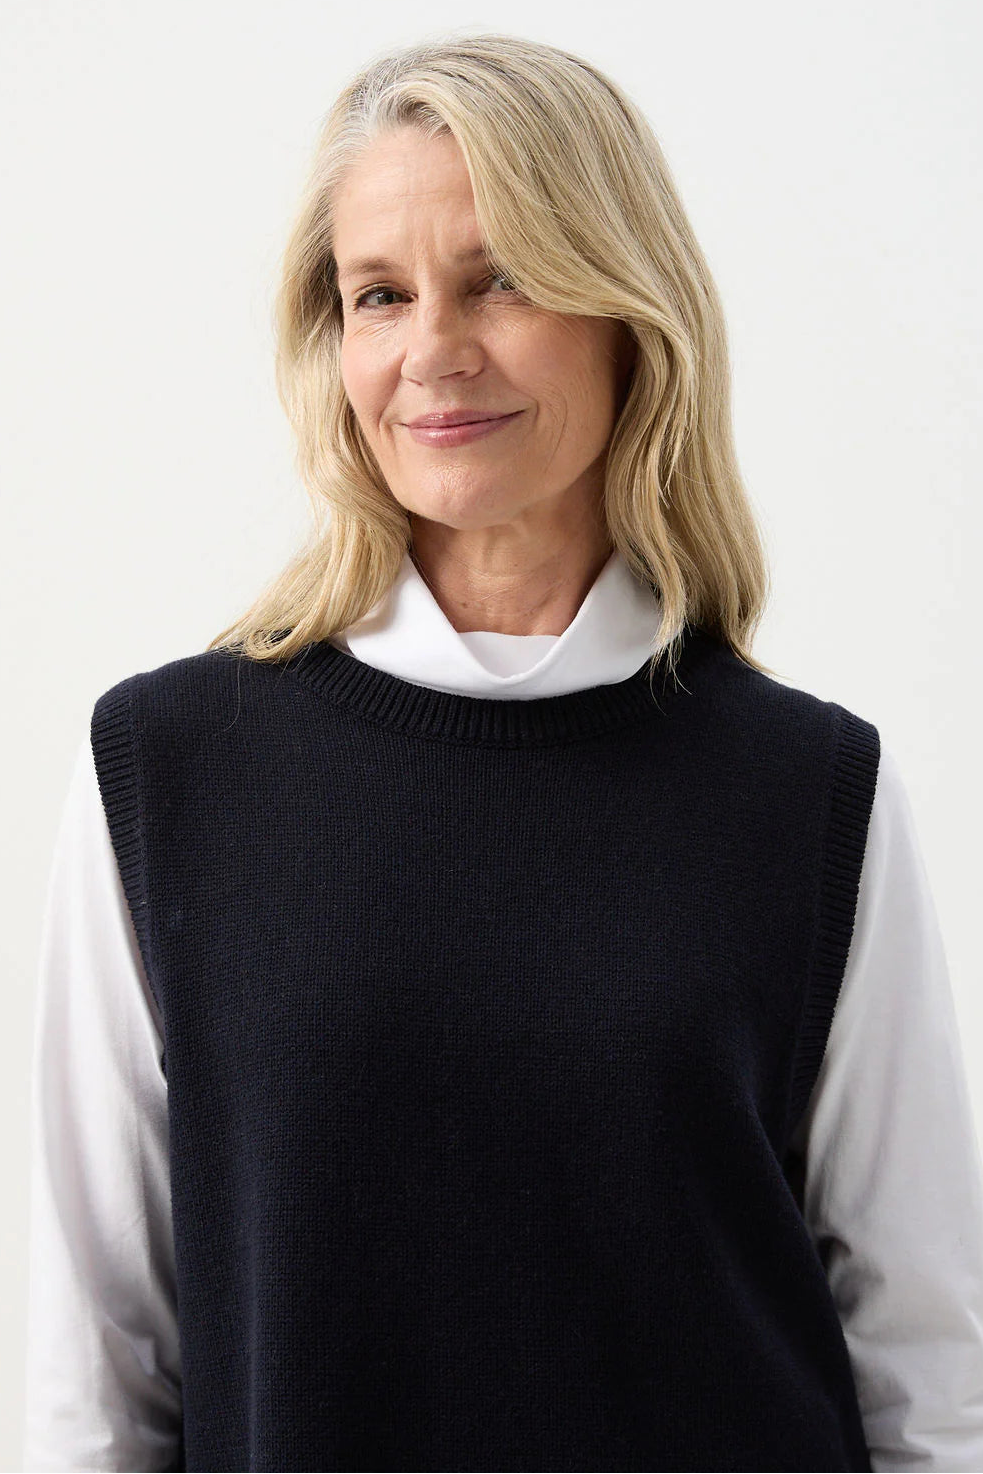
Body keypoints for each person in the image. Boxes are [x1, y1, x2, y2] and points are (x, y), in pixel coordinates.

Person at [23, 31, 983, 1474]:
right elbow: (96, 1379)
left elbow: (925, 1365)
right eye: (379, 296)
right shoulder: (168, 776)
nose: (431, 352)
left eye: (502, 278)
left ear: (627, 312)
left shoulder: (809, 795)